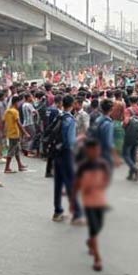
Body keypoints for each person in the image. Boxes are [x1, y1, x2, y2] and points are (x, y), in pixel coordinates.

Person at [72, 138, 111, 272]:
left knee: (99, 226)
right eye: (91, 150)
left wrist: (98, 186)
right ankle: (97, 258)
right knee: (94, 228)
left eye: (96, 150)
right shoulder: (83, 167)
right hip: (88, 202)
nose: (94, 152)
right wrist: (73, 202)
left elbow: (106, 181)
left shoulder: (103, 165)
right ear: (87, 151)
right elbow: (76, 185)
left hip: (100, 201)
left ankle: (90, 242)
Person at [52, 95, 82, 223]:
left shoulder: (58, 116)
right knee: (70, 182)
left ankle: (57, 211)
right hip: (66, 153)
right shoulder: (70, 120)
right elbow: (70, 141)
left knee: (58, 183)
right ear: (73, 104)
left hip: (57, 152)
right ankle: (76, 213)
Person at [3, 95, 29, 173]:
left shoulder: (8, 111)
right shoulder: (15, 111)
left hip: (10, 132)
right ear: (16, 102)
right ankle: (7, 168)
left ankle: (20, 165)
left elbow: (4, 122)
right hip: (14, 133)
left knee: (17, 149)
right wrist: (25, 132)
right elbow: (18, 123)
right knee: (11, 150)